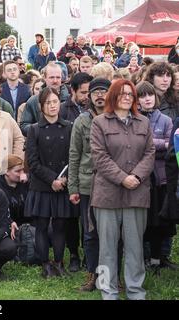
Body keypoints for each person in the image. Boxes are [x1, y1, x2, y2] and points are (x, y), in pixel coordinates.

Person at [90, 79, 155, 300]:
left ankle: (136, 291)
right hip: (107, 195)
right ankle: (108, 292)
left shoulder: (143, 122)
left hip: (137, 193)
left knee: (135, 247)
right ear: (113, 96)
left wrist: (135, 176)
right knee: (107, 248)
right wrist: (122, 178)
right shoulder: (99, 122)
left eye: (131, 94)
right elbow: (99, 157)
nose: (127, 97)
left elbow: (150, 153)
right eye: (122, 93)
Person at [25, 87, 74, 278]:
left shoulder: (69, 127)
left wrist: (64, 179)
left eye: (55, 102)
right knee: (42, 226)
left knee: (61, 225)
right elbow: (33, 162)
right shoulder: (34, 130)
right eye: (48, 103)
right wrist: (51, 179)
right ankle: (45, 264)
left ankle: (59, 262)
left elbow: (74, 156)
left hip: (63, 184)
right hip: (42, 186)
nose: (53, 106)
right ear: (41, 106)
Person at [68, 77, 112, 291]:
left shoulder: (117, 117)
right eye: (95, 92)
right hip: (88, 184)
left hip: (113, 184)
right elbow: (74, 155)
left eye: (104, 91)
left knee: (113, 233)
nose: (99, 95)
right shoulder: (82, 121)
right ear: (89, 96)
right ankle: (93, 275)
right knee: (90, 232)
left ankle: (111, 277)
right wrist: (73, 187)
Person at [136, 81, 174, 274]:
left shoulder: (166, 120)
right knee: (143, 223)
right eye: (142, 96)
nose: (147, 99)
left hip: (160, 179)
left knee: (160, 223)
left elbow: (170, 147)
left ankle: (158, 259)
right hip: (141, 180)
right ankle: (142, 258)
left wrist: (147, 144)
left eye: (150, 95)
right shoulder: (135, 119)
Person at [20, 62, 70, 134]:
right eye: (52, 77)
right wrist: (41, 130)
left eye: (58, 77)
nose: (55, 81)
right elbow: (24, 125)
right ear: (44, 78)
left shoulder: (69, 99)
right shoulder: (33, 101)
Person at [0, 155, 29, 232]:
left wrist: (29, 179)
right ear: (6, 171)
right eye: (18, 171)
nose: (22, 174)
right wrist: (10, 222)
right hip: (6, 226)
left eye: (23, 170)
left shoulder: (25, 182)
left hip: (27, 223)